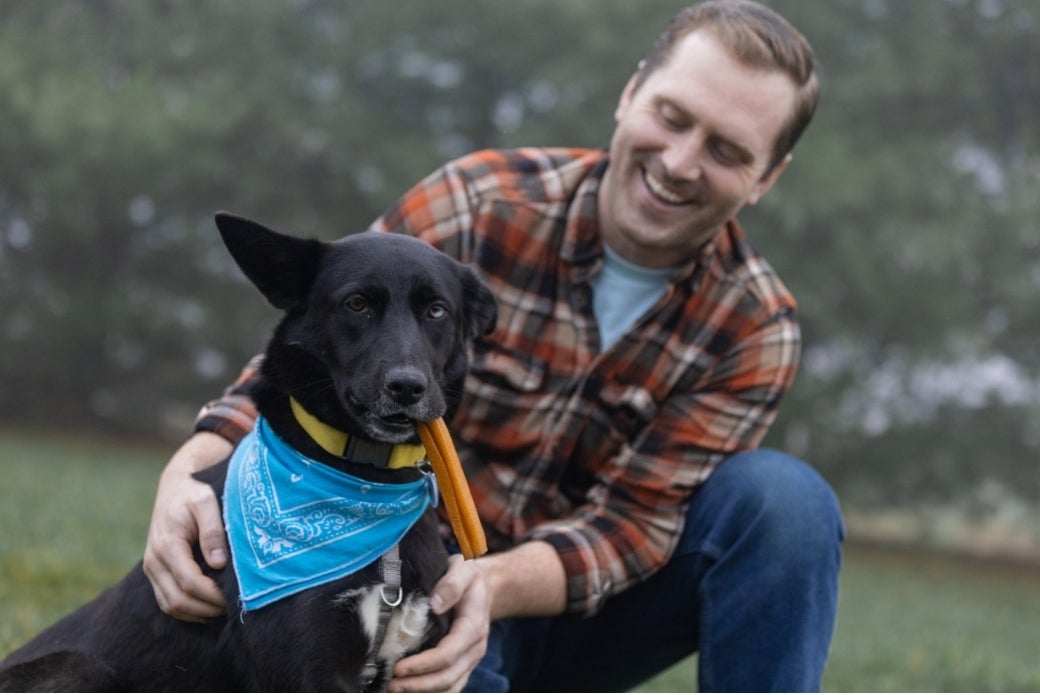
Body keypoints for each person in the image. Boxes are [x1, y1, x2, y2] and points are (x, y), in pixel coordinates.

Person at [143, 0, 844, 691]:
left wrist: (487, 587)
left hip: (589, 617)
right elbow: (322, 346)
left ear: (767, 175)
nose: (681, 161)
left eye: (726, 151)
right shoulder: (478, 203)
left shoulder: (756, 327)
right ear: (632, 93)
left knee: (786, 504)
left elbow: (632, 526)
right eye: (672, 116)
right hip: (412, 577)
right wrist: (187, 472)